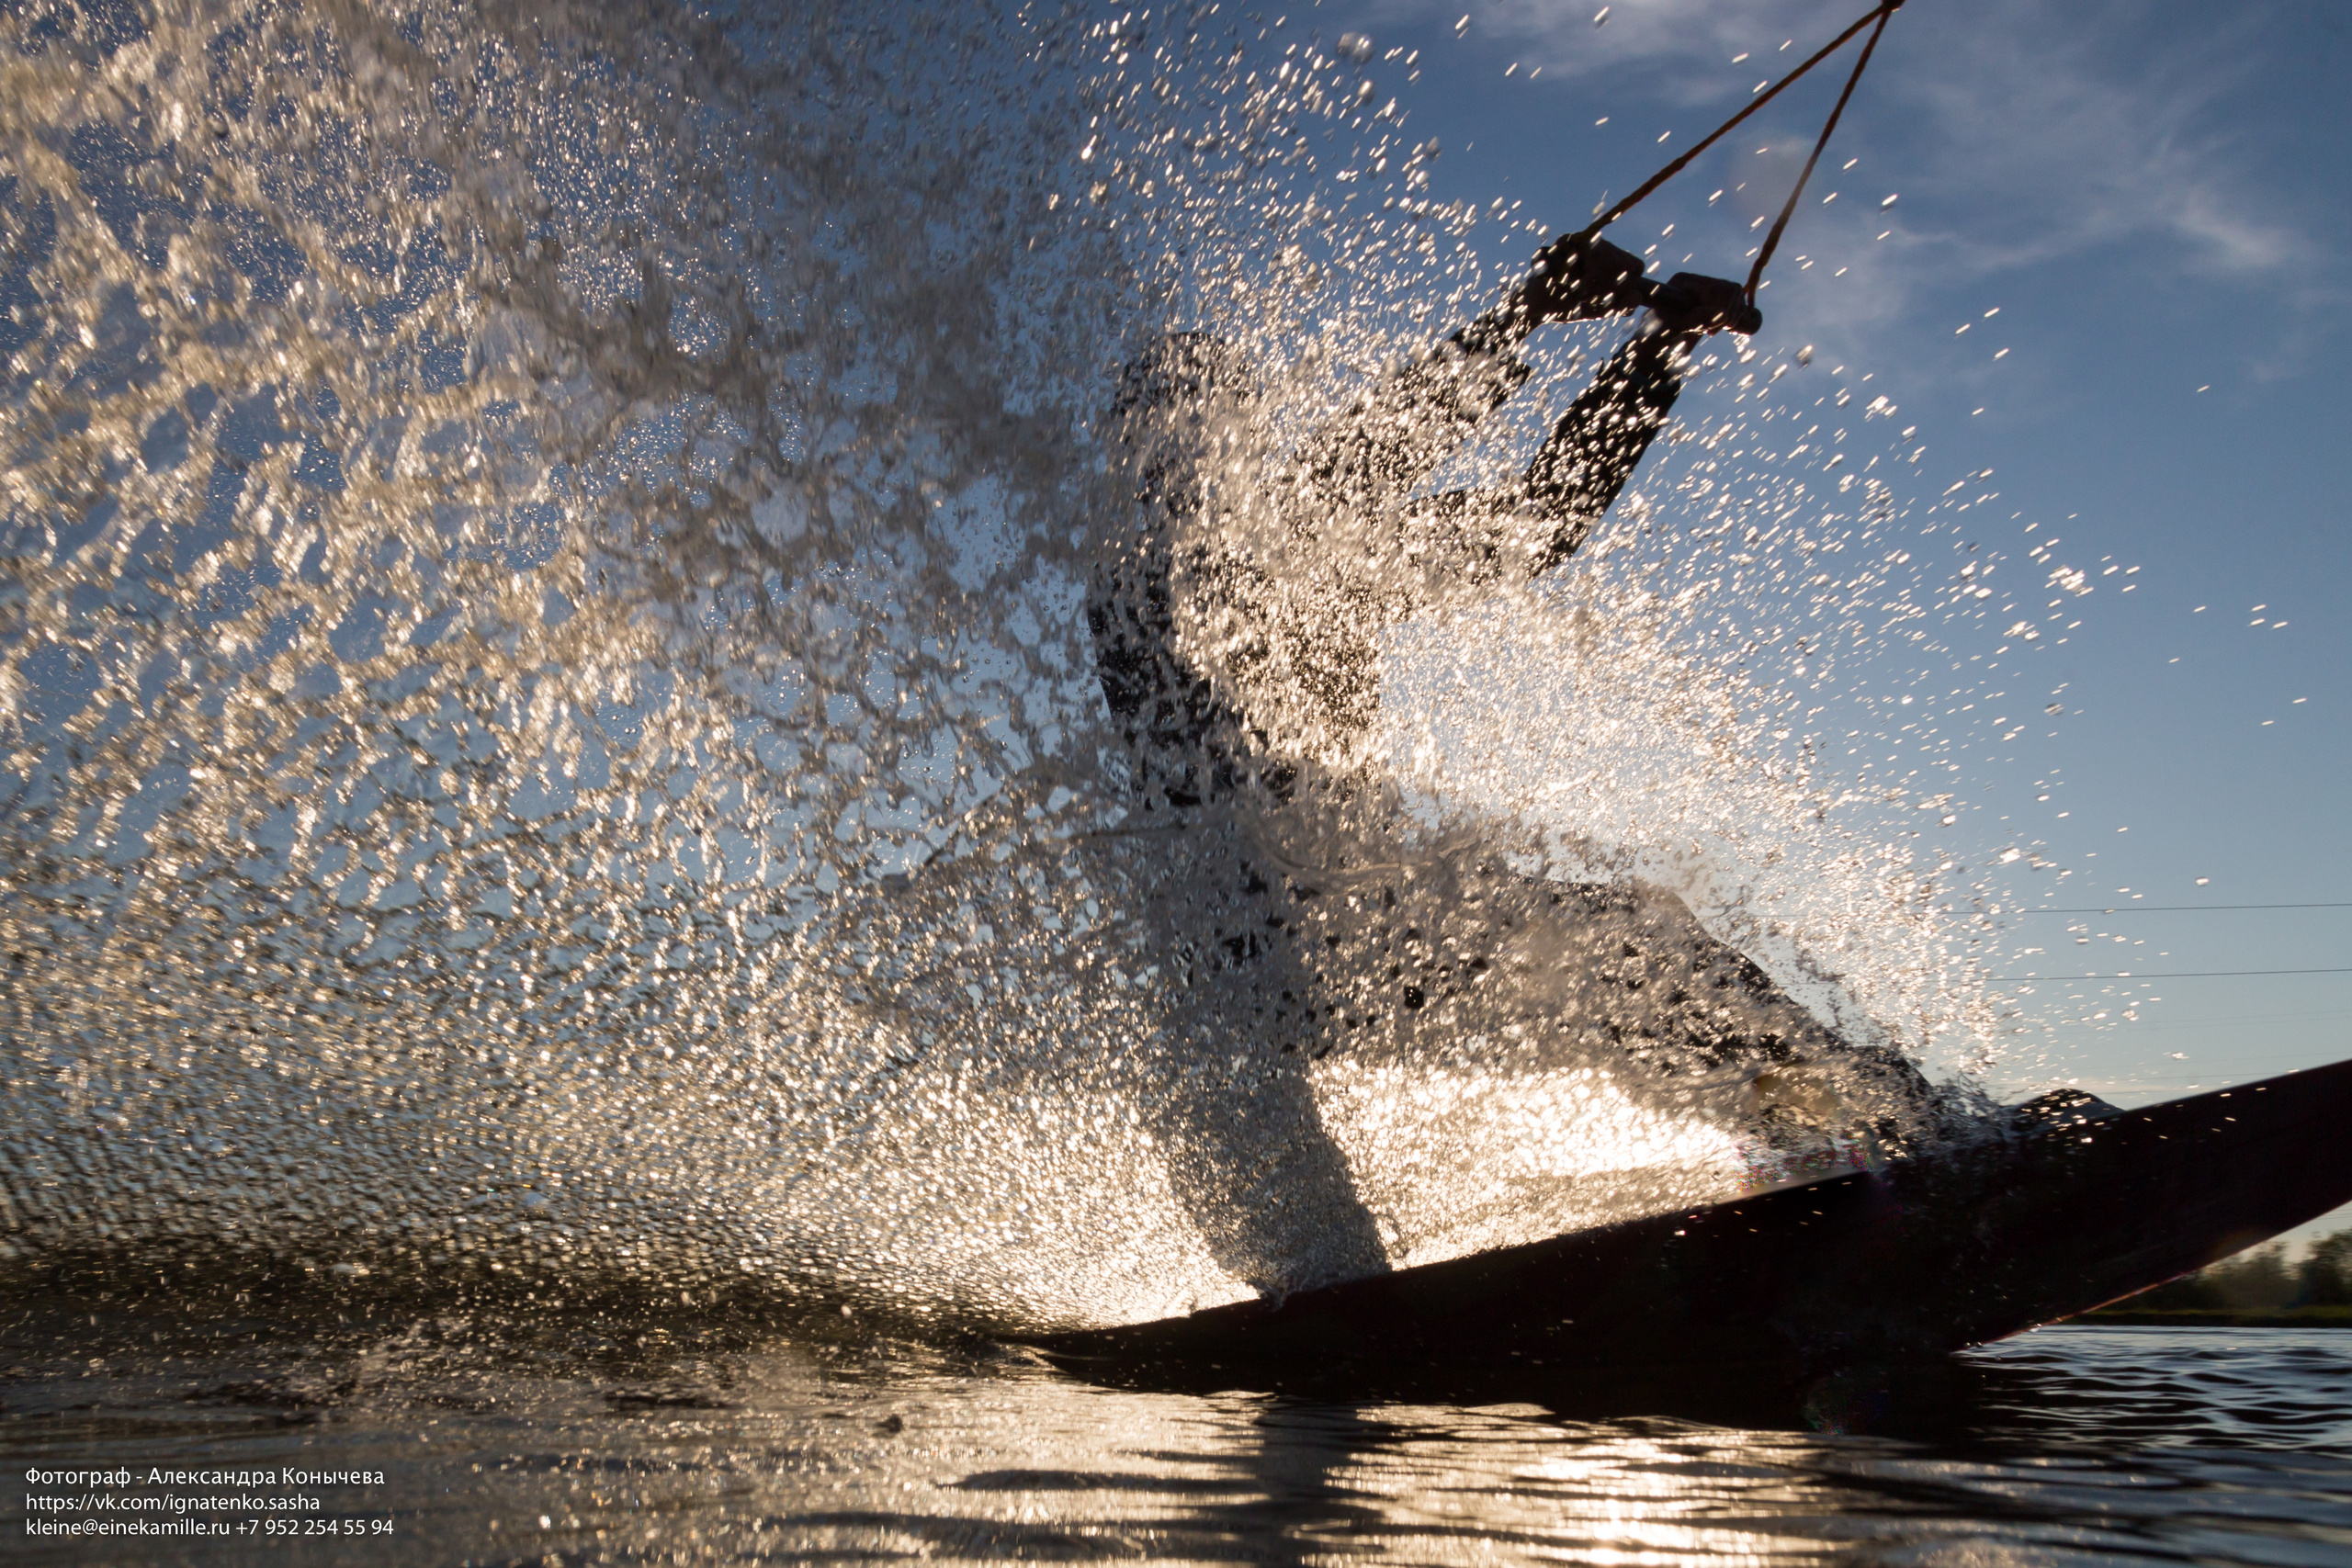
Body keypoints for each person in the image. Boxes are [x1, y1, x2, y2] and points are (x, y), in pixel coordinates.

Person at [1085, 234, 1939, 1300]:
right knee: (1328, 1278)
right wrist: (1515, 322)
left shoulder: (1324, 563)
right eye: (1168, 433)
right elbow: (1342, 486)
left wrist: (1655, 349)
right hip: (1228, 978)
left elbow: (1540, 521)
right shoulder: (1137, 574)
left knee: (1645, 944)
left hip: (1371, 939)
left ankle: (1856, 1153)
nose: (1195, 458)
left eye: (1218, 431)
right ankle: (1330, 1306)